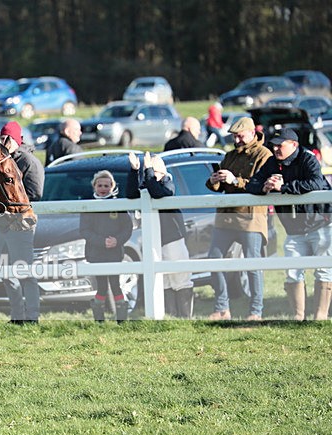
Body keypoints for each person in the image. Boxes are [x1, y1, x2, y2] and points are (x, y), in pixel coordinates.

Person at [245, 128, 332, 321]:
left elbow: (316, 184)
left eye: (280, 145)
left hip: (321, 223)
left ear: (294, 145)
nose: (275, 148)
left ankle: (320, 317)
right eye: (274, 144)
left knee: (324, 270)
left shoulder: (308, 158)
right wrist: (264, 187)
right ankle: (298, 317)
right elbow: (251, 184)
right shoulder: (271, 162)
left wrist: (283, 187)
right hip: (294, 229)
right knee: (293, 271)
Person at [205, 117, 273, 321]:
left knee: (253, 264)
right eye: (234, 136)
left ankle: (256, 311)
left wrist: (235, 180)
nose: (237, 140)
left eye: (240, 136)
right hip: (226, 216)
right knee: (213, 259)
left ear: (253, 133)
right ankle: (222, 308)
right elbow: (216, 187)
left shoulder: (265, 155)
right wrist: (214, 180)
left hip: (251, 217)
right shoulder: (230, 156)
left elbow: (259, 185)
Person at [126, 152, 194, 318]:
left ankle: (185, 317)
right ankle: (169, 315)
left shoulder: (167, 184)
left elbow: (157, 193)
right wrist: (134, 171)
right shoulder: (147, 185)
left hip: (172, 238)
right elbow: (131, 194)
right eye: (148, 171)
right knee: (162, 280)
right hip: (153, 241)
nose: (149, 175)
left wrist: (149, 169)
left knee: (180, 277)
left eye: (153, 171)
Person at [0, 121, 43, 325]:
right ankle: (17, 315)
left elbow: (36, 193)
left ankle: (32, 316)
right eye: (2, 138)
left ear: (15, 139)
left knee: (25, 271)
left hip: (21, 224)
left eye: (7, 138)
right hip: (2, 224)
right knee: (5, 272)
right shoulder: (0, 159)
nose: (4, 142)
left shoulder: (28, 161)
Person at [80, 171, 133, 322]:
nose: (103, 188)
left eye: (107, 185)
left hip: (114, 253)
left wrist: (117, 240)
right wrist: (102, 241)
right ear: (94, 186)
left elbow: (127, 227)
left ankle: (122, 320)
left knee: (116, 285)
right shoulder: (87, 205)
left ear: (112, 187)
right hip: (96, 253)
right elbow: (84, 230)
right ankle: (99, 321)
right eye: (100, 185)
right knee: (101, 286)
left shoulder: (118, 204)